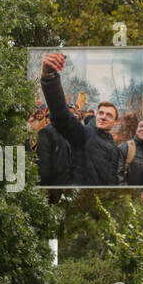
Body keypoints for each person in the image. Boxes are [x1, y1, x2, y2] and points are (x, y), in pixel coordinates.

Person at [39, 51, 120, 186]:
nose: (103, 117)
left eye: (109, 115)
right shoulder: (84, 134)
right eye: (101, 113)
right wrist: (49, 78)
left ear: (115, 122)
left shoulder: (114, 148)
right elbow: (61, 115)